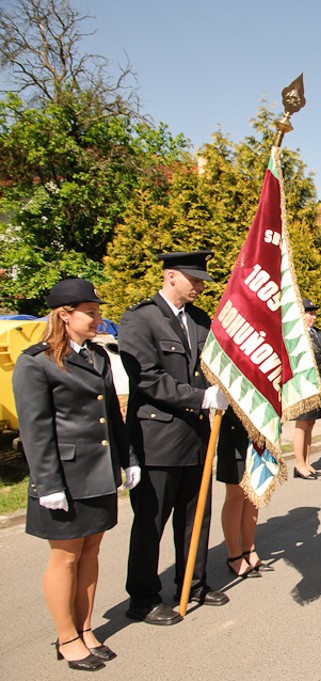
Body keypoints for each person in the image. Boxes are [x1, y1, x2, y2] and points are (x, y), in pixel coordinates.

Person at [13, 278, 139, 671]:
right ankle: (66, 637)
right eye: (91, 312)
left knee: (91, 552)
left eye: (98, 311)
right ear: (64, 315)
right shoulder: (36, 362)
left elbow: (111, 417)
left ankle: (85, 628)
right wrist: (47, 484)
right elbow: (35, 430)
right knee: (65, 558)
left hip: (98, 472)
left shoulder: (97, 357)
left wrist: (128, 457)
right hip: (64, 477)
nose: (98, 318)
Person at [120, 250, 229, 626]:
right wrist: (199, 397)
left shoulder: (200, 320)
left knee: (193, 518)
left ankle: (193, 583)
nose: (200, 286)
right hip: (158, 438)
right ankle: (143, 597)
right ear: (170, 277)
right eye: (194, 279)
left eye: (202, 281)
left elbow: (215, 364)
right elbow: (146, 377)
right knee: (151, 522)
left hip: (198, 436)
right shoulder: (141, 318)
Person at [218, 408, 272, 578]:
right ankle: (233, 554)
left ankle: (249, 549)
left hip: (260, 432)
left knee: (253, 495)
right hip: (236, 431)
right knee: (236, 495)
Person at [292, 298, 321, 480]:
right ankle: (299, 464)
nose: (313, 317)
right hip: (302, 386)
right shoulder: (296, 335)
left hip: (316, 386)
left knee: (311, 424)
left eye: (314, 314)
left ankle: (307, 461)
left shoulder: (317, 333)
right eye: (310, 313)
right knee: (302, 424)